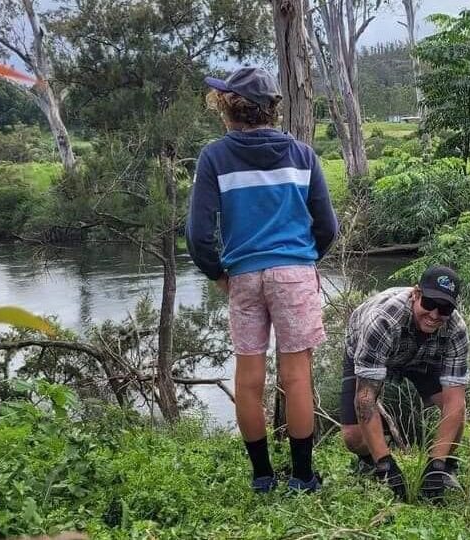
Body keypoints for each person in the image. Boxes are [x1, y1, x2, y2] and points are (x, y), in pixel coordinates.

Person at [186, 67, 338, 494]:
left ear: (229, 107)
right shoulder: (303, 155)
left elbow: (198, 234)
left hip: (244, 275)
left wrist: (218, 273)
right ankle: (304, 477)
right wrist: (302, 263)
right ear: (271, 108)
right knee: (297, 377)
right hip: (294, 272)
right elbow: (327, 226)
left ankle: (262, 477)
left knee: (249, 377)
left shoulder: (214, 157)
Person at [340, 266, 469, 503]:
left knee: (456, 413)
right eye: (429, 303)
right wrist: (384, 463)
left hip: (424, 358)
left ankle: (444, 468)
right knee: (353, 438)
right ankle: (374, 462)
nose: (434, 315)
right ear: (416, 294)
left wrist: (436, 462)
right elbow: (366, 398)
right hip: (375, 349)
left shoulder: (456, 330)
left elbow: (455, 401)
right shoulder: (383, 320)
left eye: (445, 308)